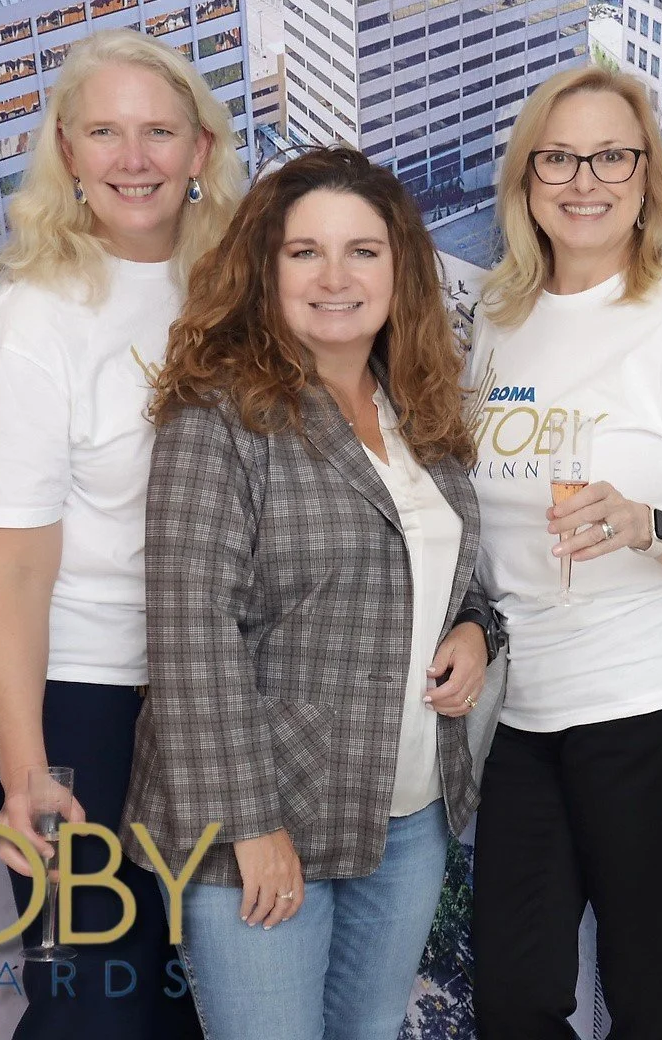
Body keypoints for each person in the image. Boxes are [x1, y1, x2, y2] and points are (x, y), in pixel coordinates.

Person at [122, 145, 496, 1039]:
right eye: (305, 252)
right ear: (267, 269)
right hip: (267, 815)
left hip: (409, 812)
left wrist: (478, 631)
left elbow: (446, 574)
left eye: (363, 251)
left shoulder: (418, 406)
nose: (335, 277)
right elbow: (192, 637)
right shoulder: (218, 413)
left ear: (400, 270)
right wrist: (248, 828)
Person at [467, 65, 662, 1039]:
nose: (584, 180)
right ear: (527, 178)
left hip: (659, 700)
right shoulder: (498, 324)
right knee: (512, 1000)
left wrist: (649, 525)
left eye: (611, 156)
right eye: (558, 158)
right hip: (525, 708)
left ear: (647, 176)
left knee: (649, 1004)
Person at [0, 28, 241, 1038]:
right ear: (66, 150)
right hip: (67, 690)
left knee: (174, 991)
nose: (134, 157)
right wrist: (27, 769)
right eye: (105, 132)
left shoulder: (229, 288)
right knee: (94, 998)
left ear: (201, 149)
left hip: (190, 682)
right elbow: (13, 570)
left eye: (159, 130)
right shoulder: (29, 323)